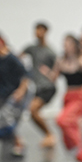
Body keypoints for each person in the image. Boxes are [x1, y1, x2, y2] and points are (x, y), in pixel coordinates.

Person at [19, 21, 58, 149]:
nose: (37, 33)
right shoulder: (32, 48)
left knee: (33, 110)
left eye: (40, 30)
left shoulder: (50, 52)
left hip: (48, 87)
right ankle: (48, 135)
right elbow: (18, 57)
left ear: (46, 32)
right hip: (38, 87)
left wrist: (49, 73)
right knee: (32, 112)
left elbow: (58, 70)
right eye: (36, 30)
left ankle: (50, 135)